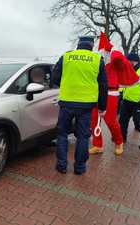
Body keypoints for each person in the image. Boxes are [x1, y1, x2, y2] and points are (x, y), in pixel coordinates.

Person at [53, 36, 108, 175]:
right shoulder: (97, 59)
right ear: (91, 46)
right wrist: (102, 107)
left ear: (78, 45)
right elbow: (103, 86)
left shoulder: (66, 57)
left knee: (62, 134)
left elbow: (54, 78)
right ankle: (80, 167)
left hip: (66, 102)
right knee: (83, 136)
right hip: (86, 105)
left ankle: (61, 165)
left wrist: (67, 86)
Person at [119, 53, 140, 149]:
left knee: (139, 121)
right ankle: (122, 138)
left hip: (138, 102)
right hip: (126, 101)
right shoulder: (127, 70)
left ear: (133, 61)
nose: (126, 62)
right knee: (122, 121)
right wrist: (121, 94)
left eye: (128, 61)